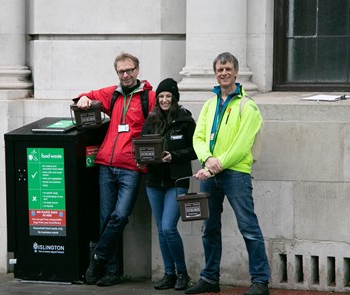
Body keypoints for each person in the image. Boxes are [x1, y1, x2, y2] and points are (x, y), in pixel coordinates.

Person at [186, 52, 270, 295]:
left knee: (249, 227)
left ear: (236, 72)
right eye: (220, 69)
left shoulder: (248, 106)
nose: (224, 73)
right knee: (209, 228)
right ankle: (210, 278)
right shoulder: (209, 104)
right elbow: (198, 137)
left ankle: (260, 281)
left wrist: (215, 164)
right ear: (216, 73)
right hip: (210, 172)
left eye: (228, 69)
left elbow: (242, 144)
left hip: (236, 174)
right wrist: (207, 159)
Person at [74, 52, 156, 287]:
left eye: (129, 70)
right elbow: (86, 95)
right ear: (117, 73)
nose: (126, 74)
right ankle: (111, 271)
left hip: (131, 167)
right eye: (121, 71)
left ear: (137, 71)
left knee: (120, 216)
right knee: (105, 218)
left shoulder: (147, 97)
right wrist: (83, 100)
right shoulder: (112, 94)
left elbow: (164, 115)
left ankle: (98, 256)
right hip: (105, 166)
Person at [138, 78, 197, 291]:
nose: (164, 100)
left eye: (168, 96)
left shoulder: (186, 121)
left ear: (174, 98)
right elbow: (143, 147)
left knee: (168, 228)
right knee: (161, 231)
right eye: (161, 96)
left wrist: (174, 156)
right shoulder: (151, 120)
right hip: (154, 181)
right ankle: (169, 274)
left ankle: (182, 273)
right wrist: (142, 158)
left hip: (176, 181)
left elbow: (195, 150)